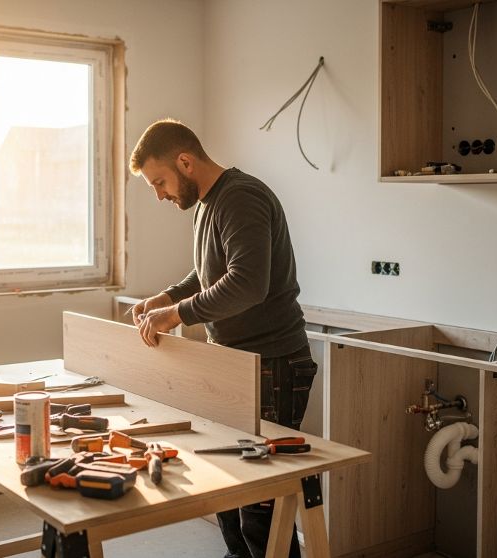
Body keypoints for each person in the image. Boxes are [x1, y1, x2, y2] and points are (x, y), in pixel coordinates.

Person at [128, 118, 317, 558]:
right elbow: (208, 272)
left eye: (159, 183)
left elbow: (247, 284)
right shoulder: (207, 204)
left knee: (261, 503)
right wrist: (169, 296)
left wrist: (176, 314)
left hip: (273, 366)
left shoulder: (241, 197)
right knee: (228, 489)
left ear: (185, 162)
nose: (159, 195)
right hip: (235, 364)